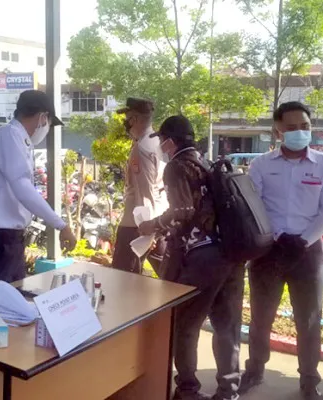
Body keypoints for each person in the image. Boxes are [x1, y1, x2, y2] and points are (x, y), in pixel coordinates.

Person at [241, 102, 323, 400]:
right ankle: (254, 370)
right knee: (261, 317)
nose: (300, 132)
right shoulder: (261, 164)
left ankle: (309, 381)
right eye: (292, 127)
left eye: (305, 126)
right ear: (278, 130)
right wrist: (274, 237)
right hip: (268, 252)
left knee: (309, 320)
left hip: (307, 252)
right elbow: (253, 206)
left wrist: (304, 240)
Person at [138, 115, 243, 400]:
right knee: (226, 326)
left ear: (170, 141)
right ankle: (228, 390)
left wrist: (153, 226)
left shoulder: (177, 166)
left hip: (202, 258)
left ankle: (187, 390)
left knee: (185, 325)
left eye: (161, 140)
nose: (160, 145)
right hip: (230, 253)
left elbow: (183, 212)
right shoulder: (207, 163)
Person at [0, 90, 76, 291]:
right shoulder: (8, 135)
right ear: (43, 117)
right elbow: (22, 187)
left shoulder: (19, 140)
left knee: (14, 307)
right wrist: (60, 225)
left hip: (8, 241)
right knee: (1, 309)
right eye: (49, 122)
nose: (47, 128)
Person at [111, 97, 168, 275]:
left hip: (136, 223)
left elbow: (145, 190)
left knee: (123, 277)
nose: (125, 124)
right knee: (167, 272)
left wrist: (146, 228)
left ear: (133, 119)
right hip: (157, 215)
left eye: (126, 119)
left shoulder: (142, 148)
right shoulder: (158, 142)